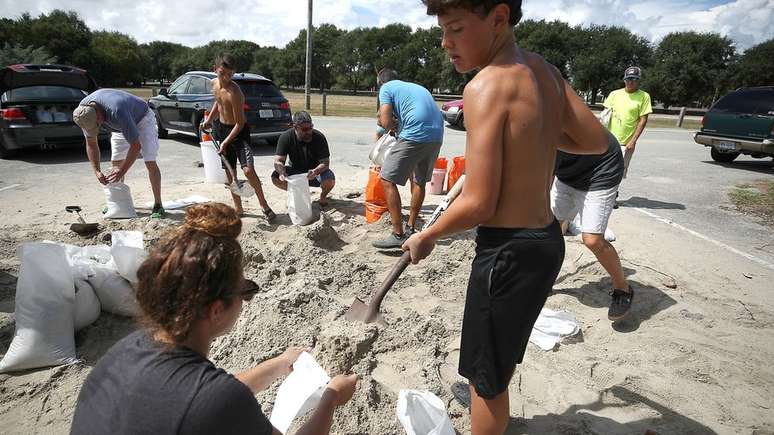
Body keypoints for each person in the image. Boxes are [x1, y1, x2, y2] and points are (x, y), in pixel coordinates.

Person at [405, 1, 609, 433]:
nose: (446, 43)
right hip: (546, 242)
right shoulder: (546, 73)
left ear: (499, 17)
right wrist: (533, 135)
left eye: (457, 28)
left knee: (486, 380)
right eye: (443, 31)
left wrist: (429, 234)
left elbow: (480, 203)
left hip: (507, 253)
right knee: (501, 355)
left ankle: (488, 412)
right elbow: (595, 141)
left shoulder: (485, 87)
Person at [70, 202, 358, 435]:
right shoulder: (217, 400)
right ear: (217, 309)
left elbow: (199, 397)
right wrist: (331, 398)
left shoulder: (127, 349)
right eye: (243, 291)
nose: (245, 299)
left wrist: (278, 365)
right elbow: (213, 400)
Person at [552, 131, 634, 322]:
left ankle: (623, 289)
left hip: (601, 170)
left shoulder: (550, 114)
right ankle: (546, 278)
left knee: (592, 239)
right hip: (567, 172)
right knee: (550, 230)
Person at [372, 68, 444, 249]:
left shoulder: (386, 89)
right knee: (418, 180)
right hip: (437, 133)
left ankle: (397, 234)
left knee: (387, 178)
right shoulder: (416, 87)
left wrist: (393, 128)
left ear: (380, 82)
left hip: (415, 132)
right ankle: (411, 228)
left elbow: (385, 122)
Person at [202, 54, 275, 221]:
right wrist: (209, 120)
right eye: (222, 73)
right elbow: (218, 103)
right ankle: (238, 208)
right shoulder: (214, 85)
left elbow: (240, 123)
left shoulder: (235, 92)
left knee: (248, 171)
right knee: (230, 171)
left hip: (239, 133)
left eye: (230, 74)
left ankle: (264, 206)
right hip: (221, 129)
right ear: (215, 70)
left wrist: (226, 142)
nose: (226, 78)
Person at [73, 89, 165, 218]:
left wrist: (122, 171)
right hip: (118, 125)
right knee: (116, 163)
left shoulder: (117, 110)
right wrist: (97, 171)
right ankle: (117, 203)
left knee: (150, 161)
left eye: (97, 125)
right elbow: (91, 144)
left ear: (98, 115)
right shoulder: (83, 114)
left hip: (141, 118)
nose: (98, 128)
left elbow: (136, 146)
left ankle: (158, 204)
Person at [271, 111, 336, 207]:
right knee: (275, 177)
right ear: (295, 127)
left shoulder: (319, 137)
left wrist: (315, 171)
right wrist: (281, 172)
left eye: (310, 128)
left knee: (329, 178)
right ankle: (297, 194)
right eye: (304, 129)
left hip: (315, 173)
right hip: (295, 173)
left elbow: (325, 163)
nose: (308, 132)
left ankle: (323, 196)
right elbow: (278, 161)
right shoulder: (286, 137)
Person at [603, 66, 652, 180]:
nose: (630, 81)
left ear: (638, 80)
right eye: (628, 78)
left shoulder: (644, 96)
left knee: (620, 171)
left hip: (626, 143)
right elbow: (604, 116)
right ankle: (609, 194)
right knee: (604, 169)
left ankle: (614, 192)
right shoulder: (614, 94)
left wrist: (633, 141)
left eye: (634, 79)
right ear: (624, 79)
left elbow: (643, 120)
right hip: (609, 140)